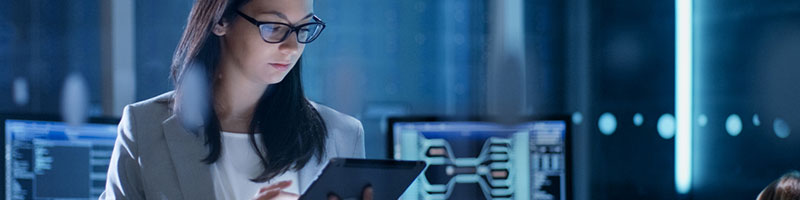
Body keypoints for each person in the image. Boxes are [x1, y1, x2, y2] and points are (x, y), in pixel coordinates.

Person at [100, 0, 366, 199]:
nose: (291, 47)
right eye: (274, 27)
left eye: (303, 28)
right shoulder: (145, 127)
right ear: (220, 21)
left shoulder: (341, 135)